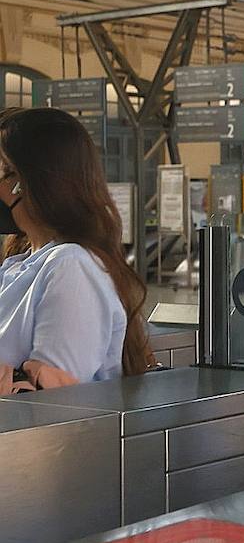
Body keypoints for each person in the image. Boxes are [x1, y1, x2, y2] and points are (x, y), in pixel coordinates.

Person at [0, 107, 152, 391]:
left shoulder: (71, 266)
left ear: (32, 182)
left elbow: (52, 395)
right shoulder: (19, 264)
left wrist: (17, 380)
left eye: (4, 172)